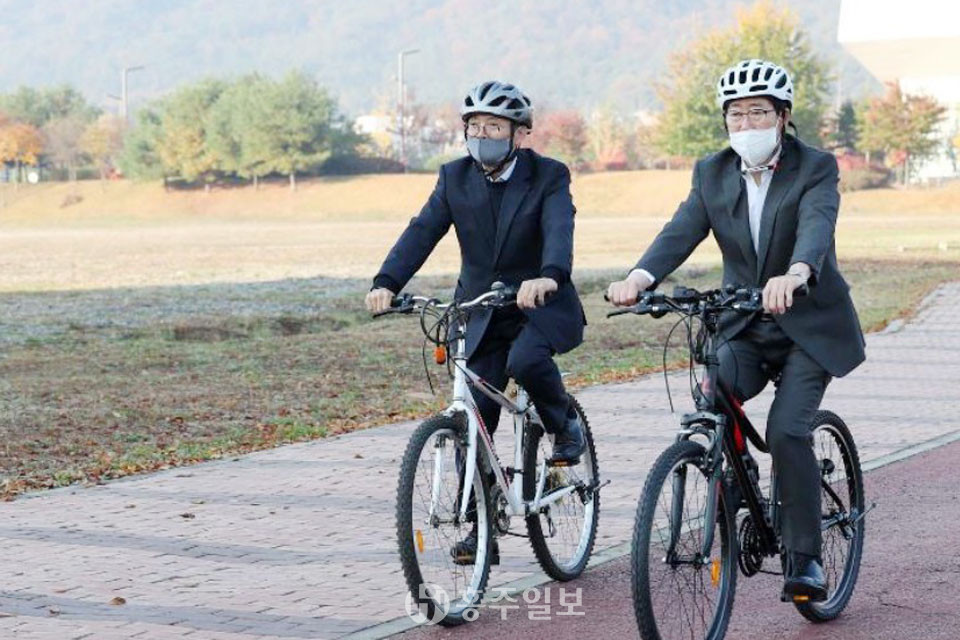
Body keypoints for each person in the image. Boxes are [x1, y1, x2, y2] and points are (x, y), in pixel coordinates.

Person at [607, 59, 865, 601]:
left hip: (806, 327)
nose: (746, 123)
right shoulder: (711, 171)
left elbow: (817, 225)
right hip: (744, 323)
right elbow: (682, 228)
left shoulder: (815, 167)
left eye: (758, 112)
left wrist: (796, 274)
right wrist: (639, 275)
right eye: (736, 114)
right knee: (710, 396)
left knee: (789, 430)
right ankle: (736, 475)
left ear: (782, 116)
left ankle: (805, 557)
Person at [365, 80, 587, 564]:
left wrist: (548, 276)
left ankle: (563, 424)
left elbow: (558, 228)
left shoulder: (548, 175)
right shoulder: (454, 177)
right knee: (475, 414)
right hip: (481, 307)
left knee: (526, 360)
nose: (481, 134)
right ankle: (478, 528)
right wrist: (387, 281)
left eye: (493, 126)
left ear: (519, 134)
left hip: (538, 301)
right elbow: (422, 230)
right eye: (474, 126)